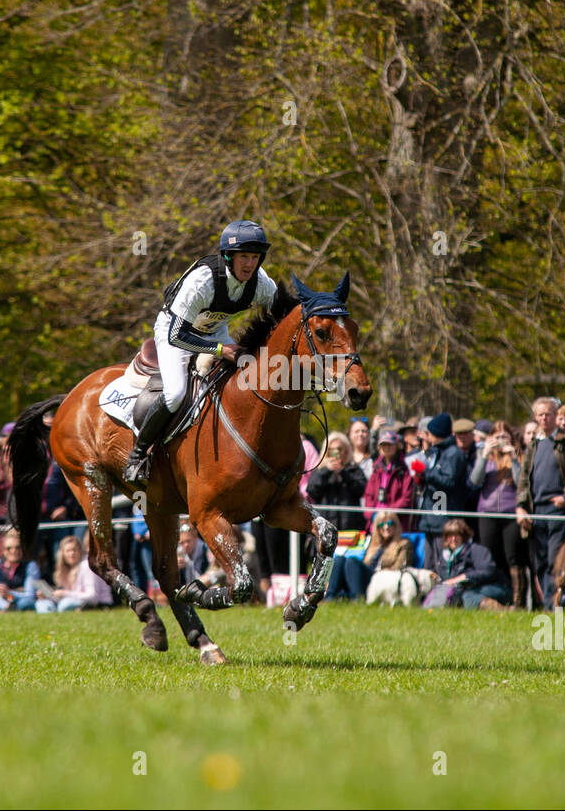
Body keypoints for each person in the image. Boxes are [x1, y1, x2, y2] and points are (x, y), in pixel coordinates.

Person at [123, 219, 279, 482]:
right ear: (228, 256)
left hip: (215, 330)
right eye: (244, 257)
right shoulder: (202, 281)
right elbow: (176, 335)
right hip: (175, 333)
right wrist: (220, 350)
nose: (249, 264)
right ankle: (137, 456)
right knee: (175, 394)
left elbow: (282, 312)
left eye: (255, 257)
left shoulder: (261, 283)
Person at [516, 397, 565, 607]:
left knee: (555, 560)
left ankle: (554, 606)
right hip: (535, 512)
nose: (544, 418)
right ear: (535, 417)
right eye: (540, 415)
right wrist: (520, 507)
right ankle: (546, 605)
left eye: (548, 414)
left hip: (560, 511)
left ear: (555, 416)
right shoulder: (533, 445)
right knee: (539, 562)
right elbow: (524, 479)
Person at [468, 425, 528, 608]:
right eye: (497, 437)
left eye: (505, 437)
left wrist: (514, 460)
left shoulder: (519, 456)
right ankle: (493, 599)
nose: (501, 441)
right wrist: (485, 453)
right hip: (487, 513)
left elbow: (521, 483)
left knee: (513, 557)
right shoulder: (485, 457)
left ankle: (518, 602)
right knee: (489, 556)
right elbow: (475, 481)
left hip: (510, 514)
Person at [415, 413, 472, 566]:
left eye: (429, 433)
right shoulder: (438, 452)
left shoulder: (453, 454)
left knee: (441, 563)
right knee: (429, 562)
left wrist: (426, 473)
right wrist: (421, 478)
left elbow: (448, 482)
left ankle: (443, 590)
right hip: (431, 519)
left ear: (437, 433)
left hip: (444, 520)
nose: (426, 437)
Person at [326, 509, 413, 601]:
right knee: (340, 559)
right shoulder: (372, 543)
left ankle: (358, 598)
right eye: (381, 525)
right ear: (377, 528)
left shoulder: (403, 544)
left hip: (383, 579)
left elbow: (400, 567)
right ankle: (330, 597)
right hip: (367, 577)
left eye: (390, 523)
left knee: (352, 561)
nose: (386, 527)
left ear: (396, 526)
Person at [429, 517, 510, 610]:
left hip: (495, 587)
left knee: (466, 597)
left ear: (463, 536)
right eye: (450, 536)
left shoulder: (476, 550)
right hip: (461, 591)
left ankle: (504, 610)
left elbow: (488, 570)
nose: (453, 539)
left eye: (457, 535)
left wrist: (464, 577)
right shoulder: (443, 557)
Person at [307, 431, 368, 531]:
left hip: (350, 527)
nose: (336, 453)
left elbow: (362, 490)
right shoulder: (319, 470)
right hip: (325, 527)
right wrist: (326, 471)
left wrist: (343, 473)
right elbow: (312, 491)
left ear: (346, 450)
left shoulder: (354, 469)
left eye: (339, 449)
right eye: (331, 449)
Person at [362, 430, 415, 531]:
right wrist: (371, 514)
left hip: (395, 522)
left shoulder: (403, 469)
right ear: (379, 448)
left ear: (396, 446)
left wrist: (388, 513)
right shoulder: (376, 469)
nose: (386, 448)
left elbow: (406, 498)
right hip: (375, 522)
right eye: (383, 445)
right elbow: (368, 495)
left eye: (389, 444)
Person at [51, 533, 114, 611]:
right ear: (62, 554)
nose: (72, 553)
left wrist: (65, 594)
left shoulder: (87, 566)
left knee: (64, 605)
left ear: (80, 551)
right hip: (77, 601)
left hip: (100, 604)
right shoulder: (66, 569)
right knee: (42, 604)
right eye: (68, 551)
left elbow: (93, 597)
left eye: (74, 550)